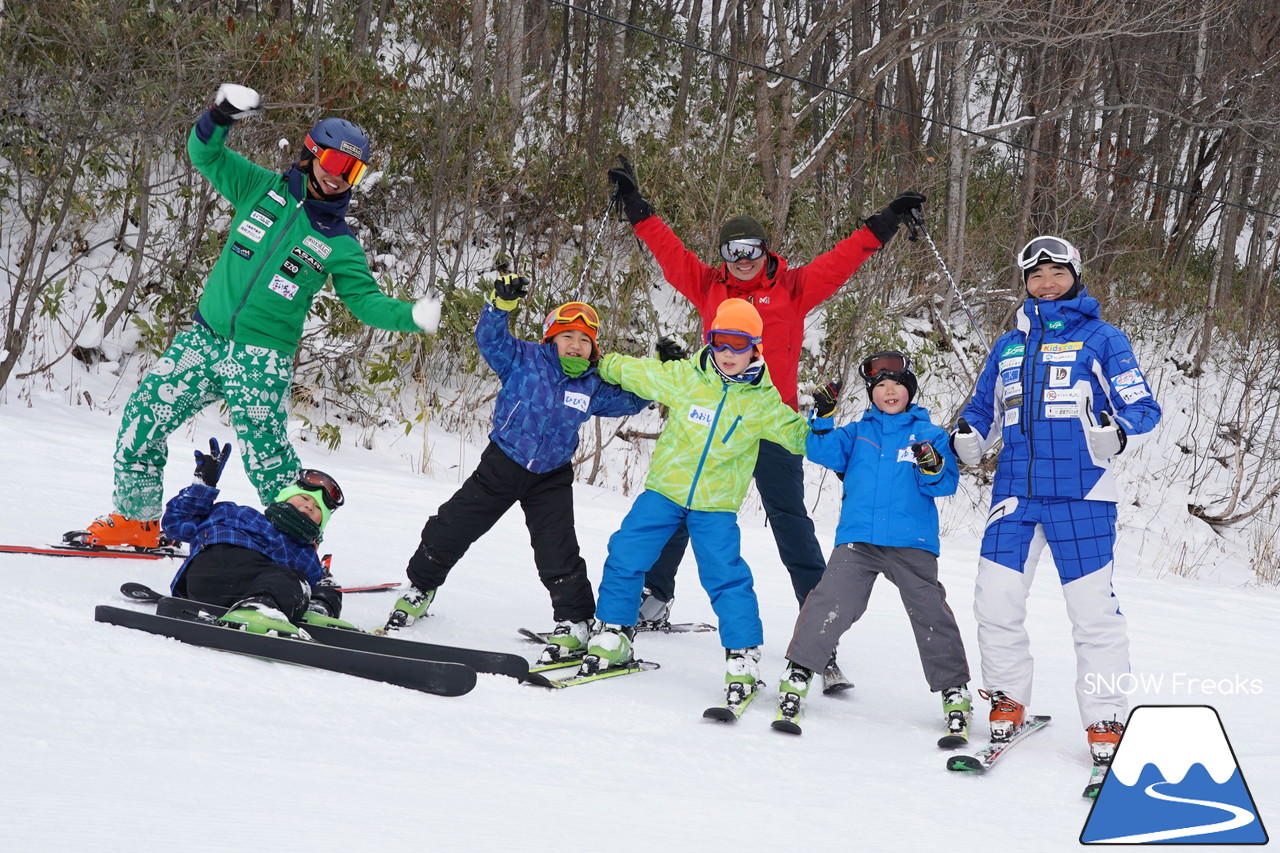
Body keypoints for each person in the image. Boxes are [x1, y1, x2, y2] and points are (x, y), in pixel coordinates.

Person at [68, 83, 439, 550]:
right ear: (311, 154)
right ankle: (137, 523)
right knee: (143, 417)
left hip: (262, 359)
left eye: (354, 170)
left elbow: (364, 301)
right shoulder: (259, 187)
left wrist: (412, 315)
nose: (341, 178)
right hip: (203, 339)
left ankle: (294, 548)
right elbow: (204, 154)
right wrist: (220, 115)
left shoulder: (340, 242)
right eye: (335, 164)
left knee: (270, 462)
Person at [605, 155, 925, 679]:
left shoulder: (794, 288)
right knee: (682, 507)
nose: (742, 260)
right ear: (724, 256)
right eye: (732, 252)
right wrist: (636, 207)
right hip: (713, 417)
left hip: (768, 418)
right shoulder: (709, 284)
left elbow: (845, 258)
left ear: (764, 251)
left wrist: (887, 219)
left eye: (750, 251)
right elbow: (667, 250)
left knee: (789, 520)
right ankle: (655, 596)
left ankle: (819, 634)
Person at [951, 235, 1161, 763]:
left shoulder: (1104, 338)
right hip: (1016, 494)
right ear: (1024, 284)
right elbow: (981, 410)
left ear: (1075, 275)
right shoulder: (1008, 345)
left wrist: (1116, 432)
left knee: (1092, 613)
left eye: (1056, 273)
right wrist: (969, 438)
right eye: (1035, 276)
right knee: (994, 601)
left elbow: (1143, 407)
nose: (1046, 284)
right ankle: (1007, 701)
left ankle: (1105, 719)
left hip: (1083, 494)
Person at [383, 275, 650, 664]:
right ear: (550, 339)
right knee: (453, 524)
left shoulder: (593, 385)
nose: (576, 345)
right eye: (567, 336)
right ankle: (420, 587)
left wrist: (660, 370)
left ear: (594, 348)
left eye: (585, 340)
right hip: (503, 463)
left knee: (557, 548)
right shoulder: (523, 358)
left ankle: (575, 620)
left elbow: (632, 400)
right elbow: (490, 339)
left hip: (551, 476)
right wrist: (499, 306)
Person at [584, 299, 811, 707]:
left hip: (715, 506)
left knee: (726, 577)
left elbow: (799, 436)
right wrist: (598, 359)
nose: (727, 353)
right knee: (626, 552)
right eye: (719, 342)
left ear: (755, 349)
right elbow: (637, 371)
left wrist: (827, 428)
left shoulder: (762, 403)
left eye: (737, 345)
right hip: (664, 491)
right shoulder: (687, 378)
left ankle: (742, 655)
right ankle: (615, 630)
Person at [774, 353, 971, 739]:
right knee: (829, 601)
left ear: (910, 391)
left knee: (930, 611)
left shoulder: (929, 435)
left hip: (910, 542)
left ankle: (955, 694)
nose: (889, 390)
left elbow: (946, 484)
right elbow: (820, 451)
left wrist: (932, 468)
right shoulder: (856, 432)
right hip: (859, 540)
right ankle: (798, 675)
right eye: (880, 386)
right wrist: (824, 416)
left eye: (896, 384)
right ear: (871, 394)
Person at [162, 437, 352, 636]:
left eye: (316, 509)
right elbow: (176, 525)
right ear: (284, 497)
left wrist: (323, 597)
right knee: (291, 581)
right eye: (304, 498)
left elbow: (310, 587)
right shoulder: (237, 513)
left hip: (261, 588)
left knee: (307, 587)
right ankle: (259, 610)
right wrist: (202, 487)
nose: (308, 506)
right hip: (211, 571)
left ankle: (309, 613)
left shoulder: (306, 555)